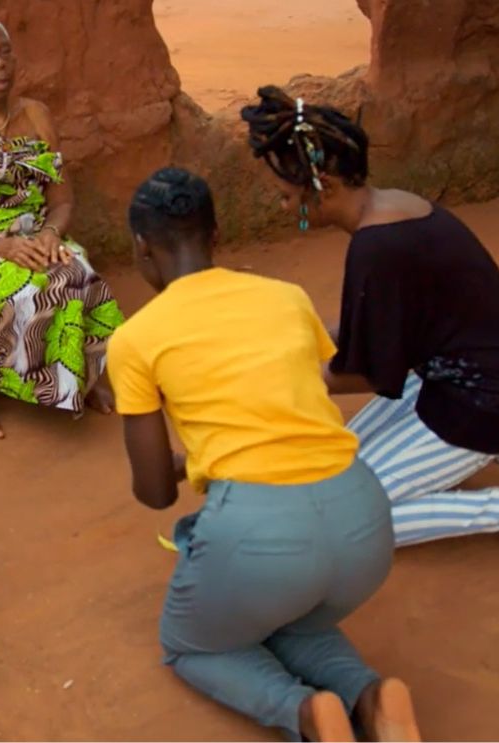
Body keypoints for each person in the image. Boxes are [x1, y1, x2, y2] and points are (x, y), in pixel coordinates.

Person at [109, 167, 420, 742]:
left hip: (262, 538)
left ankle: (304, 711)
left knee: (191, 645)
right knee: (287, 618)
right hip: (364, 522)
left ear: (140, 248)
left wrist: (183, 457)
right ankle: (371, 696)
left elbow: (153, 492)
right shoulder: (286, 298)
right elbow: (293, 399)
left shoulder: (135, 339)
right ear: (217, 235)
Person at [241, 86, 499, 559]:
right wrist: (294, 345)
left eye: (288, 197)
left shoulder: (377, 249)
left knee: (346, 516)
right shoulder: (394, 207)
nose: (285, 208)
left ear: (324, 187)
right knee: (338, 465)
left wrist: (284, 382)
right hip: (488, 377)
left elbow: (370, 372)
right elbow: (371, 332)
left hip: (487, 400)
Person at [0, 15, 126, 440]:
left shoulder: (37, 116)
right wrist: (0, 246)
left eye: (5, 52)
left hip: (33, 235)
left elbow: (62, 200)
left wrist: (50, 235)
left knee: (76, 272)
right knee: (20, 286)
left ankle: (81, 378)